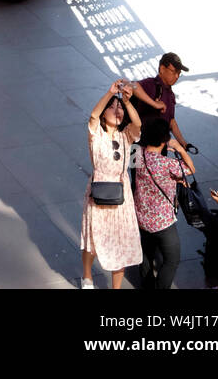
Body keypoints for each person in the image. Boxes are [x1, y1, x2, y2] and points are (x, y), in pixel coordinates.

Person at [81, 79, 142, 289]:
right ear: (105, 113)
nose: (118, 111)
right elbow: (93, 116)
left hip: (121, 195)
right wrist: (110, 94)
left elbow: (138, 124)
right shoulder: (96, 134)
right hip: (98, 190)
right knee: (92, 238)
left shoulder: (126, 136)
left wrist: (126, 102)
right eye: (113, 108)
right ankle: (87, 276)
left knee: (122, 242)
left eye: (120, 109)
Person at [133, 117, 195, 289]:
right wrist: (180, 149)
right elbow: (191, 169)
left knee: (146, 254)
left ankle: (146, 286)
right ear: (164, 140)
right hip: (163, 222)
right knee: (171, 260)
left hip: (141, 217)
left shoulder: (136, 153)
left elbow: (132, 173)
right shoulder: (168, 164)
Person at [130, 53, 191, 152]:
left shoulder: (171, 95)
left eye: (179, 73)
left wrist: (183, 142)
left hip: (160, 147)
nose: (177, 76)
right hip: (139, 145)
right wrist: (154, 104)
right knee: (137, 167)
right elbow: (132, 85)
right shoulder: (151, 84)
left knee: (158, 166)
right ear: (162, 69)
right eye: (174, 71)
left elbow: (171, 121)